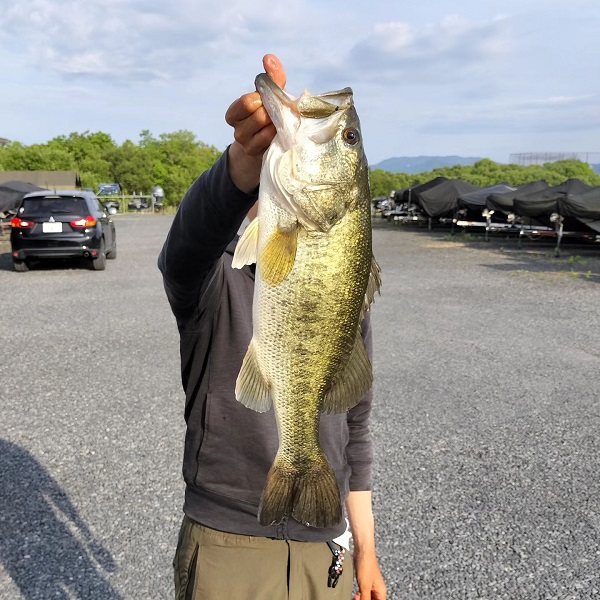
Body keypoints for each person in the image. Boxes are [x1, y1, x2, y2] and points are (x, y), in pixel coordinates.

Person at [158, 54, 386, 600]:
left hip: (328, 546)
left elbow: (355, 428)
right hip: (228, 543)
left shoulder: (346, 284)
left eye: (347, 139)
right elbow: (183, 252)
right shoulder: (212, 281)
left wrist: (366, 550)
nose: (341, 131)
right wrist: (237, 168)